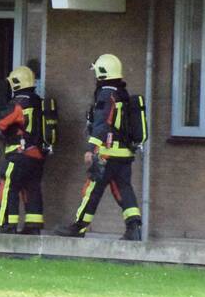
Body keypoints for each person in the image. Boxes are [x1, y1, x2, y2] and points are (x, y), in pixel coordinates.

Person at [56, 54, 143, 241]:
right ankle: (134, 227)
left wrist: (91, 148)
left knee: (92, 189)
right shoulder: (122, 93)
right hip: (124, 154)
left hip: (107, 153)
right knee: (124, 189)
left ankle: (79, 226)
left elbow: (102, 122)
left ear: (102, 73)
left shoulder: (106, 94)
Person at [0, 66, 46, 235]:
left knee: (8, 187)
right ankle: (33, 227)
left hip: (19, 155)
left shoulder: (19, 104)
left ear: (16, 84)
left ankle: (7, 225)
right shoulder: (39, 102)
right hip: (37, 156)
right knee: (32, 188)